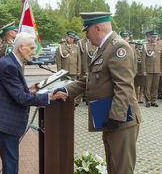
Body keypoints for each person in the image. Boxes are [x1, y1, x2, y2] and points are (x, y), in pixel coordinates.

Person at [56, 12, 141, 174]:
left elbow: (124, 86)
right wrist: (66, 89)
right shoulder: (104, 48)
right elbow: (91, 79)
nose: (86, 37)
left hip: (121, 119)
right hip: (109, 118)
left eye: (86, 31)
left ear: (98, 28)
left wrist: (116, 116)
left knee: (122, 169)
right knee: (113, 166)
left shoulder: (119, 48)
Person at [0, 32, 68, 174]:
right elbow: (21, 98)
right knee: (10, 165)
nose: (34, 53)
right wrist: (49, 97)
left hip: (5, 121)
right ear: (21, 47)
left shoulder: (11, 62)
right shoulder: (10, 66)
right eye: (32, 48)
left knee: (11, 162)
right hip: (5, 122)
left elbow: (13, 92)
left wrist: (29, 90)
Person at [55, 31, 81, 106]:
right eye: (70, 37)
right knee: (64, 86)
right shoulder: (61, 47)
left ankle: (74, 102)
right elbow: (58, 60)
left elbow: (79, 60)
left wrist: (79, 70)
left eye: (73, 38)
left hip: (74, 70)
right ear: (66, 37)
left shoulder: (76, 47)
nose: (71, 39)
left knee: (74, 87)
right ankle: (64, 100)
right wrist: (59, 72)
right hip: (64, 71)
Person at [141, 30, 162, 107]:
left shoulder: (160, 46)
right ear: (150, 37)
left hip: (157, 69)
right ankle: (148, 101)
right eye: (153, 37)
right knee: (148, 86)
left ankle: (153, 100)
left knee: (155, 86)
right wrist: (144, 70)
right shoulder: (146, 45)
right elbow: (143, 59)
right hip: (148, 69)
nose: (154, 38)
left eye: (156, 37)